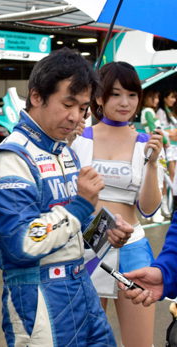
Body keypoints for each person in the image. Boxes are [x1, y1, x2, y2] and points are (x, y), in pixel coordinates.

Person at [0, 48, 133, 347]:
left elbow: (75, 233)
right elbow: (21, 245)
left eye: (83, 107)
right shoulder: (12, 158)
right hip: (37, 295)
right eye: (68, 104)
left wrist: (106, 232)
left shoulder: (65, 152)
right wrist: (80, 205)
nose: (75, 116)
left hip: (82, 286)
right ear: (36, 96)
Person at [71, 62, 164, 347]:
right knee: (86, 340)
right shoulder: (79, 138)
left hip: (131, 247)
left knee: (139, 343)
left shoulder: (146, 143)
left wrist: (152, 164)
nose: (125, 102)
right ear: (99, 97)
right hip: (88, 244)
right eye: (116, 94)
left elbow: (149, 209)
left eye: (132, 94)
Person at [157, 89, 177, 214]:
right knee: (167, 175)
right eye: (172, 97)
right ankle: (165, 204)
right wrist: (171, 134)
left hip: (174, 148)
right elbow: (160, 130)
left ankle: (171, 205)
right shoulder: (161, 112)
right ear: (165, 98)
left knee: (174, 177)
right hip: (167, 149)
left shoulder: (172, 112)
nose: (174, 100)